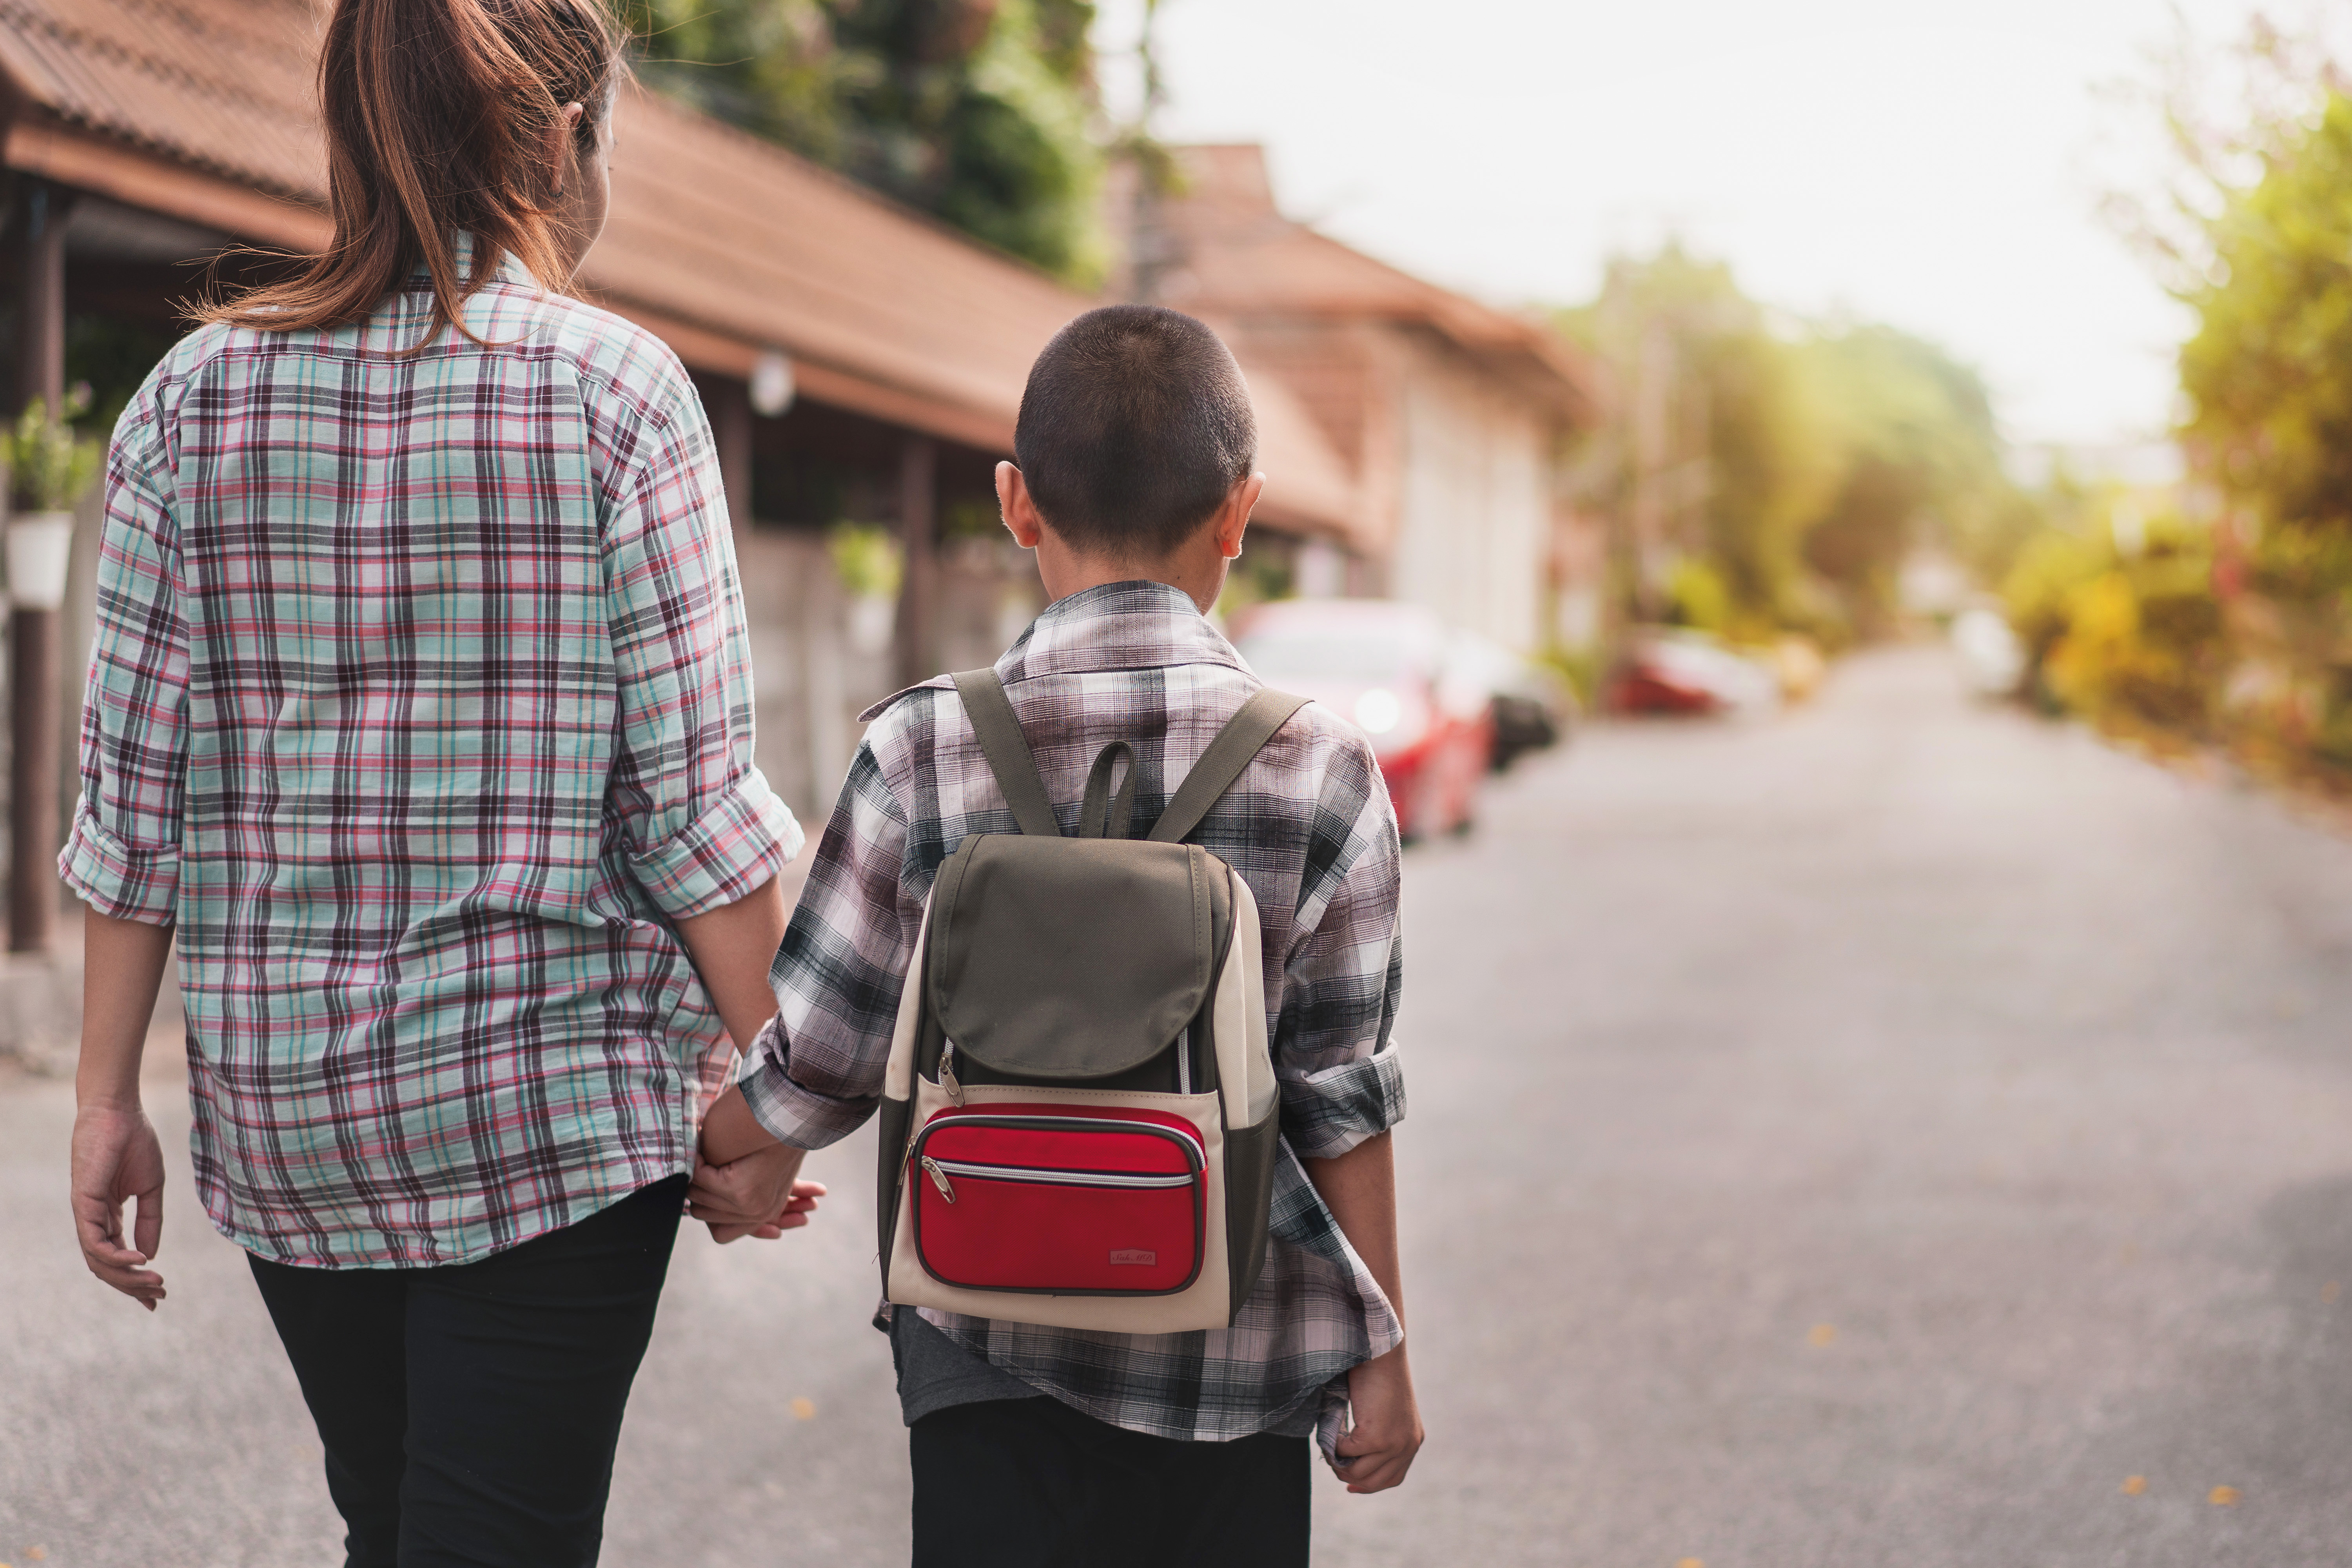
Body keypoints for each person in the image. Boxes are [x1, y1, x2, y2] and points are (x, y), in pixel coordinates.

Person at [62, 0, 814, 1560]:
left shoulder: (185, 408)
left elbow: (136, 807)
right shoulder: (619, 395)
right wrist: (773, 1094)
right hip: (547, 1116)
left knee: (398, 1516)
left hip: (291, 1126)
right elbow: (692, 810)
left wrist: (103, 1098)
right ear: (561, 142)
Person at [690, 304, 1424, 1565]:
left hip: (988, 1341)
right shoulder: (1323, 767)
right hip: (1230, 1355)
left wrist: (725, 1154)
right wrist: (1385, 1352)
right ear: (1240, 512)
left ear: (1016, 503)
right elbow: (1338, 1099)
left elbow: (830, 1049)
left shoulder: (920, 743)